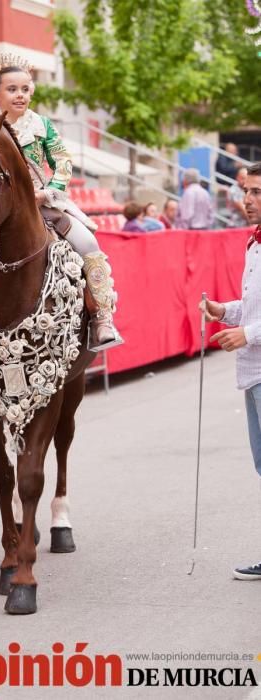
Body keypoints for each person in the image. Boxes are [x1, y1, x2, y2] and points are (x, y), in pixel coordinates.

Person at [0, 53, 122, 351]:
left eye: (25, 89)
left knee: (88, 243)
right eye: (12, 89)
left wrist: (48, 192)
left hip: (41, 202)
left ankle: (101, 317)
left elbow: (63, 162)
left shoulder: (42, 125)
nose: (20, 95)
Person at [201, 162, 261, 579]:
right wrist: (225, 312)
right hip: (253, 373)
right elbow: (253, 309)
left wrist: (249, 334)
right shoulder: (253, 244)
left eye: (257, 192)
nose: (249, 200)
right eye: (247, 192)